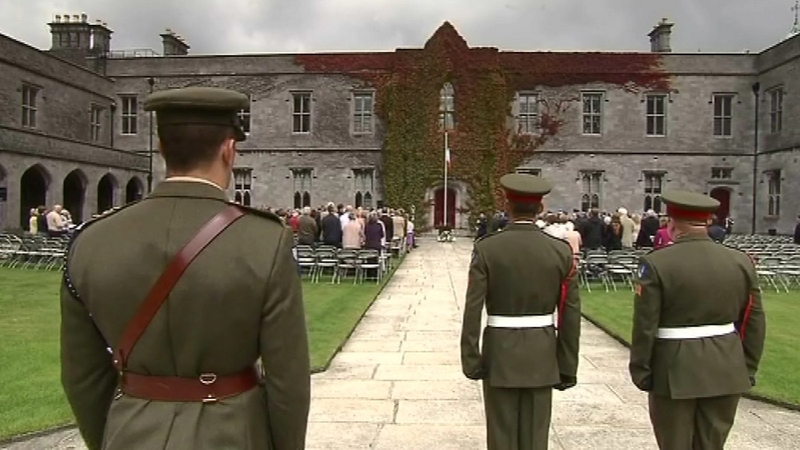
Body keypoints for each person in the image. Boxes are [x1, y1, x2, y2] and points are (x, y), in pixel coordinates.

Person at [60, 87, 310, 450]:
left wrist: (115, 436)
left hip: (130, 432)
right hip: (233, 434)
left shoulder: (91, 241)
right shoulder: (265, 240)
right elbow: (288, 380)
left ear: (161, 149)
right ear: (229, 149)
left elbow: (82, 376)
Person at [629, 190, 766, 450]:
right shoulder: (739, 261)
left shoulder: (656, 262)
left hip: (674, 368)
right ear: (707, 221)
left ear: (671, 221)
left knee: (675, 443)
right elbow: (753, 320)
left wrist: (642, 369)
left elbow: (646, 325)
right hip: (726, 364)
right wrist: (747, 367)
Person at [461, 173, 580, 450]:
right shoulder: (559, 251)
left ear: (507, 205)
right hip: (542, 352)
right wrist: (567, 365)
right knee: (536, 436)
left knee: (501, 434)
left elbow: (472, 308)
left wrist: (471, 357)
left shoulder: (488, 248)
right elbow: (569, 313)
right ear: (540, 208)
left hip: (500, 353)